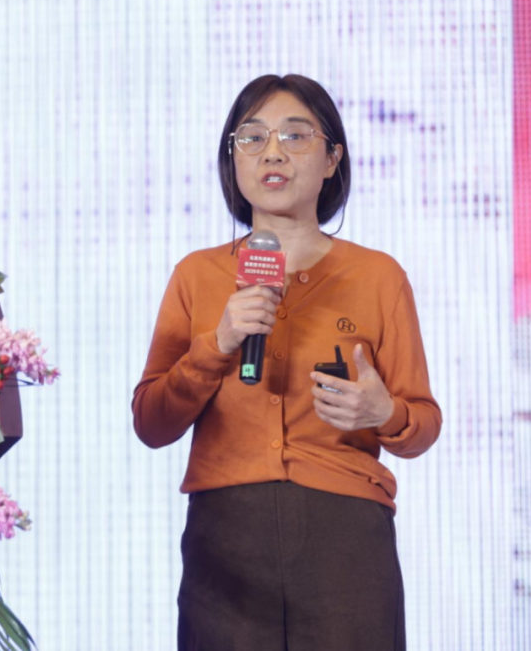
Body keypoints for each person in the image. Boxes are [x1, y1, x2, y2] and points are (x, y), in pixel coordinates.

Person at [132, 74, 442, 650]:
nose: (272, 152)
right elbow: (151, 423)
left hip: (345, 539)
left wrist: (384, 412)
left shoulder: (378, 276)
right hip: (226, 538)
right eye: (252, 138)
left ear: (332, 159)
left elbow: (423, 424)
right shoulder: (197, 276)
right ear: (233, 159)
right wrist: (219, 342)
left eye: (295, 136)